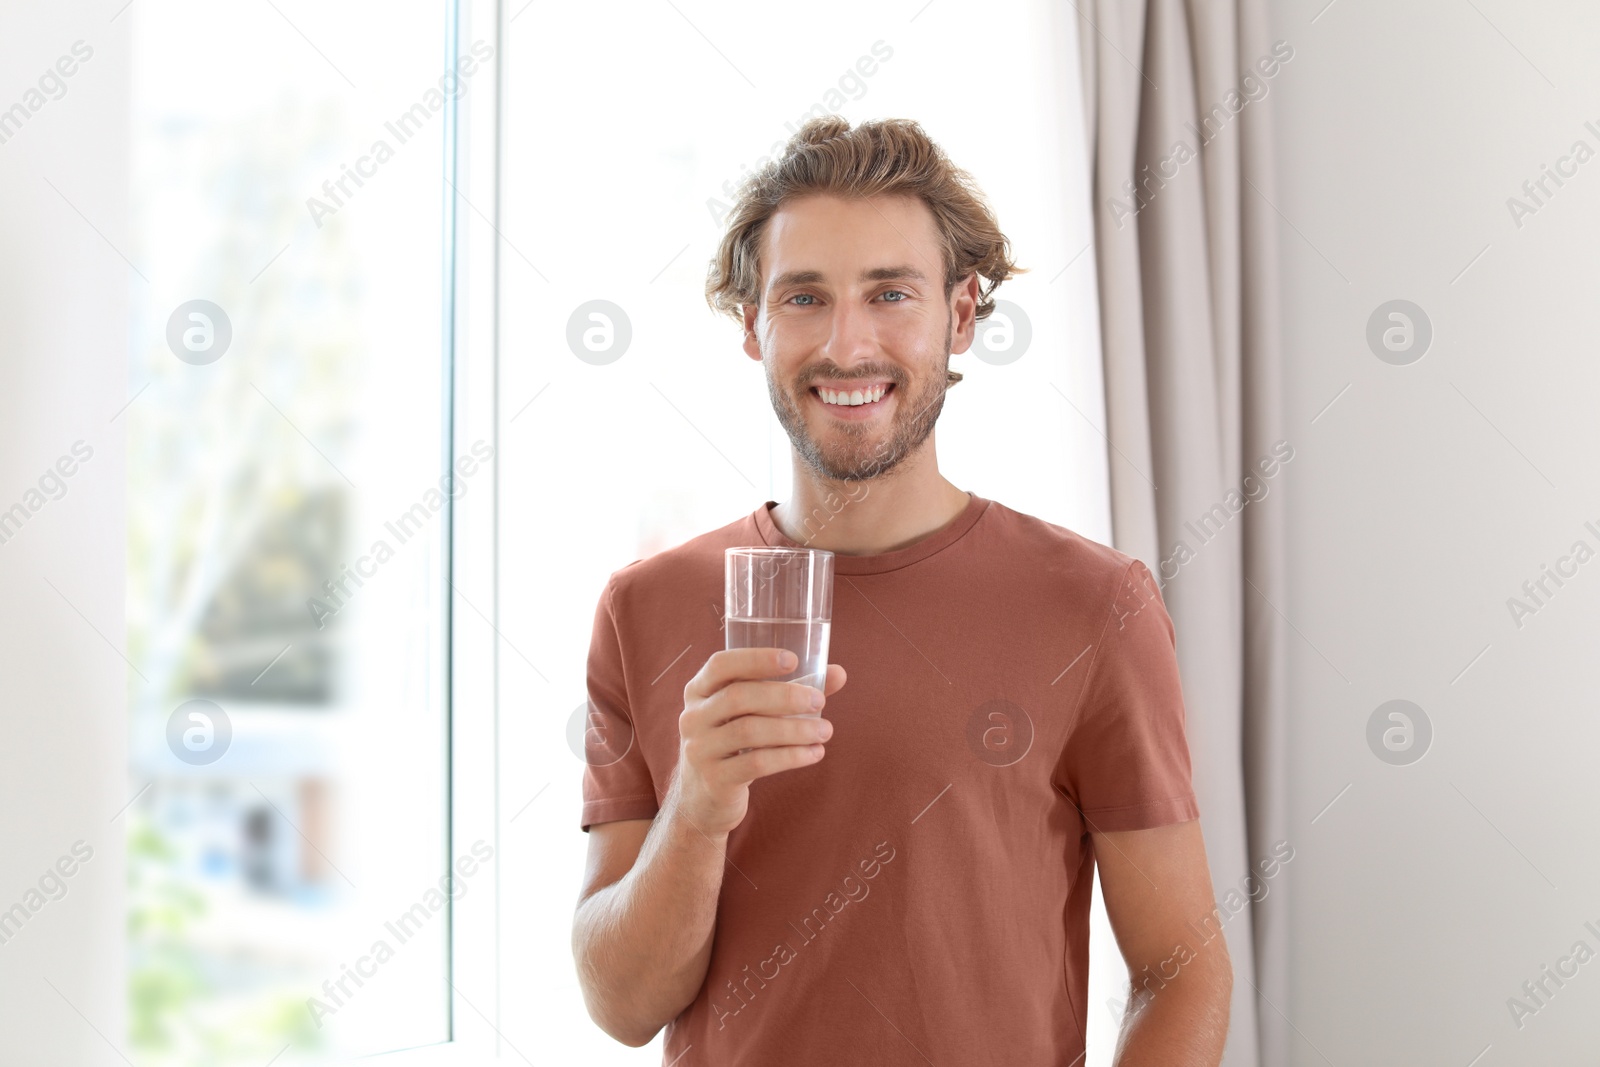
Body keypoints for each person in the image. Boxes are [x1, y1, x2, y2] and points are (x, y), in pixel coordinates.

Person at [571, 115, 1231, 1066]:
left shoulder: (1097, 606)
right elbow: (622, 1005)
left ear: (960, 315)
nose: (847, 345)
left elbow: (1183, 968)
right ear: (752, 326)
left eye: (890, 293)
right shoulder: (644, 608)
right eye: (804, 297)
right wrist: (698, 808)